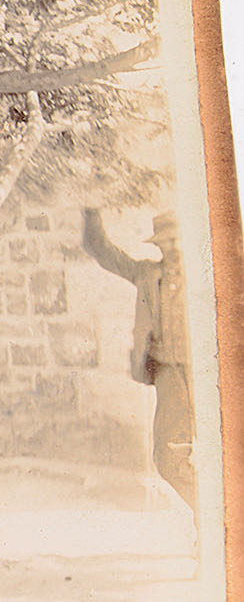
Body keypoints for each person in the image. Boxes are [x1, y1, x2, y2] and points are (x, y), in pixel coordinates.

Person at [82, 208, 196, 511]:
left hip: (210, 375)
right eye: (163, 244)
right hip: (170, 376)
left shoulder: (211, 272)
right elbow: (104, 252)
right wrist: (91, 208)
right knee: (169, 459)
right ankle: (210, 513)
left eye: (175, 240)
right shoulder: (148, 275)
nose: (170, 249)